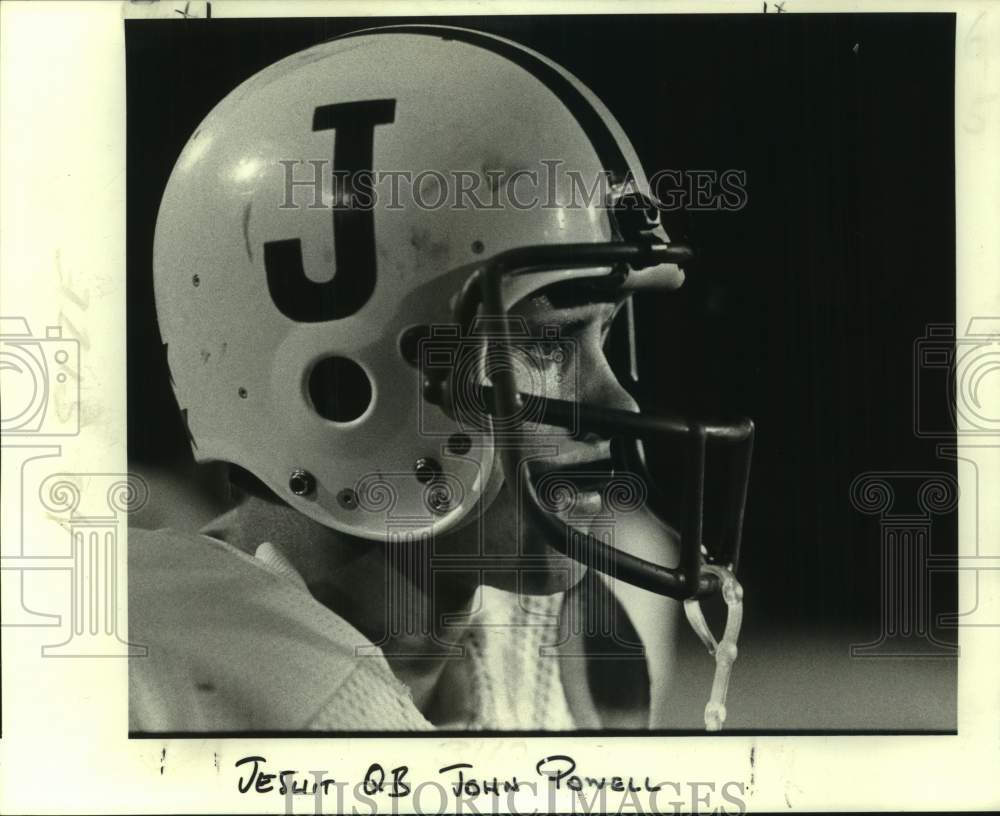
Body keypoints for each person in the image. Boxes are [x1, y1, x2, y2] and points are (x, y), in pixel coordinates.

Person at [129, 24, 753, 733]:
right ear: (341, 391)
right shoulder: (146, 678)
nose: (618, 397)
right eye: (548, 342)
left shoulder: (553, 651)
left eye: (603, 333)